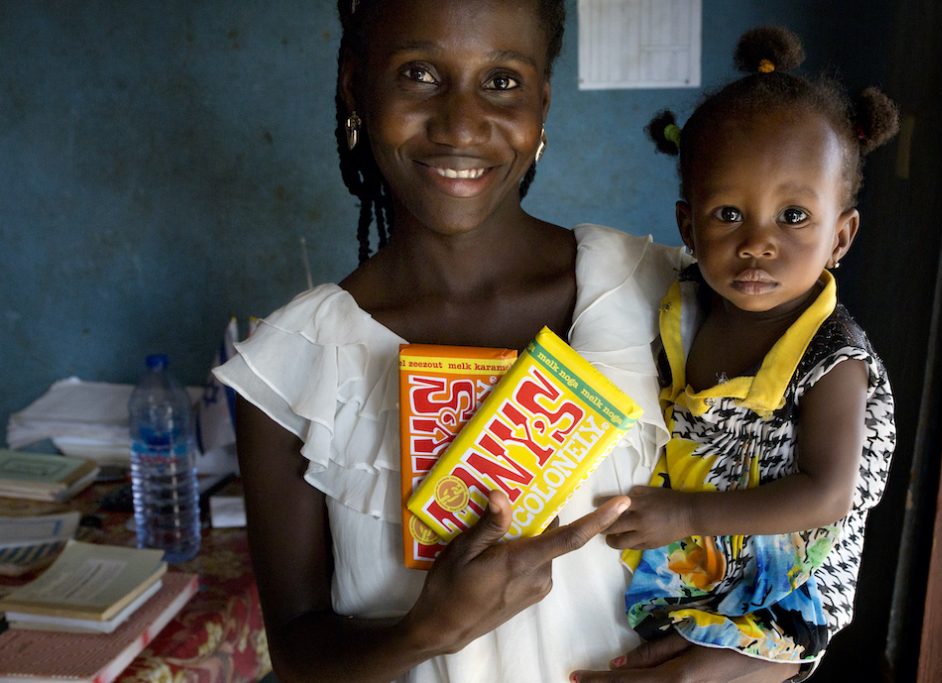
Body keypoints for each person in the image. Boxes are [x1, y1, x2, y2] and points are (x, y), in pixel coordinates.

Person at [213, 2, 802, 682]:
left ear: (542, 102)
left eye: (502, 82)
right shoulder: (295, 365)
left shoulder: (663, 296)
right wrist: (426, 631)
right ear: (355, 85)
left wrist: (732, 668)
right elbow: (297, 657)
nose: (462, 124)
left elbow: (812, 547)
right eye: (420, 74)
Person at [595, 26, 899, 680]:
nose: (758, 242)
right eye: (728, 213)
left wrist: (684, 513)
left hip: (791, 579)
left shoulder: (830, 358)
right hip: (700, 559)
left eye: (793, 217)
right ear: (688, 227)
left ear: (841, 236)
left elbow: (827, 495)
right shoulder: (681, 308)